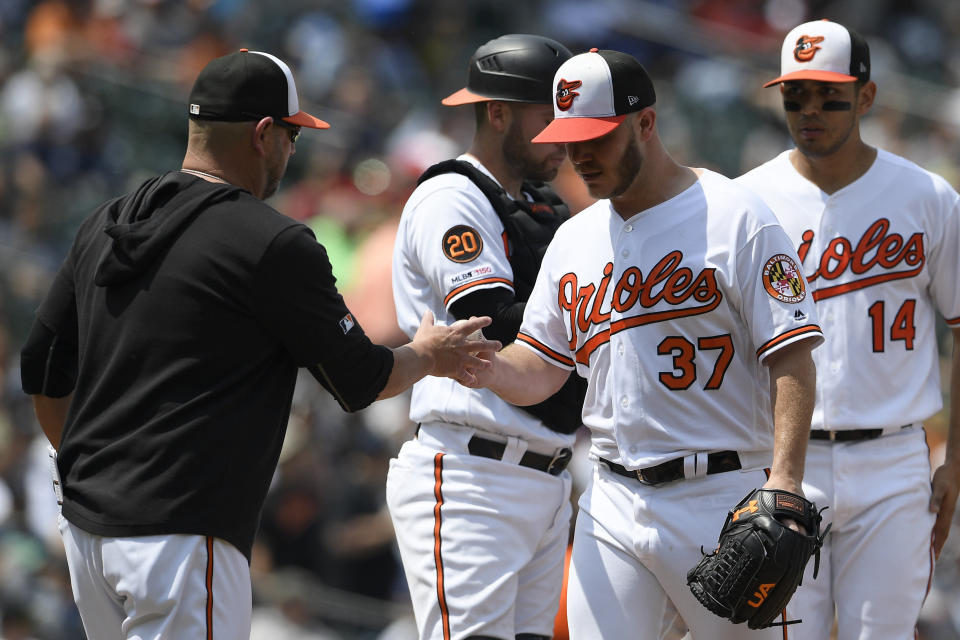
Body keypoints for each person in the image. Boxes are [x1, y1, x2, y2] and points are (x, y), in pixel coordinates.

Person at [18, 49, 499, 640]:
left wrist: (90, 468)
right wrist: (429, 353)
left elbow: (40, 365)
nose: (293, 152)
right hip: (180, 538)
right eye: (292, 136)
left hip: (89, 530)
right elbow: (361, 379)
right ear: (264, 134)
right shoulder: (271, 242)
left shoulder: (107, 219)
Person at [464, 47, 826, 639]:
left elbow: (791, 354)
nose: (579, 154)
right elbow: (543, 367)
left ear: (645, 123)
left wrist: (785, 480)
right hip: (612, 497)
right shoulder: (575, 239)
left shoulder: (735, 216)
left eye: (596, 137)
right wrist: (486, 368)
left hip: (724, 496)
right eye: (569, 139)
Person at [737, 19, 960, 639]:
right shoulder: (747, 201)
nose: (811, 111)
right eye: (795, 96)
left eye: (830, 96)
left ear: (867, 96)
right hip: (783, 461)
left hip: (893, 461)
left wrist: (957, 459)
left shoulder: (927, 197)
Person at [387, 33, 584, 640]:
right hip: (474, 473)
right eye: (547, 111)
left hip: (545, 473)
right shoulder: (451, 195)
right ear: (496, 111)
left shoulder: (544, 204)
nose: (562, 131)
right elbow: (490, 324)